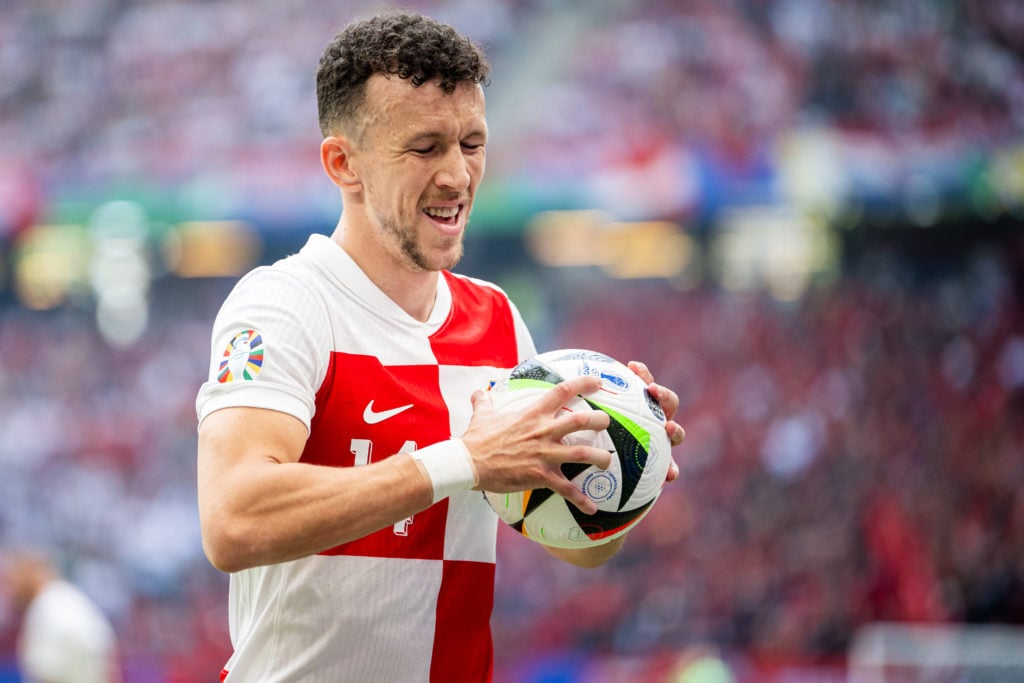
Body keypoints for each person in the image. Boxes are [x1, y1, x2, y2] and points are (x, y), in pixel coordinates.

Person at [195, 10, 685, 682]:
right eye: (425, 147)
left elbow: (577, 548)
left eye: (473, 143)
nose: (458, 175)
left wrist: (625, 466)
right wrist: (466, 458)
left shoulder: (498, 320)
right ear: (345, 164)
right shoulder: (283, 304)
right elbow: (233, 519)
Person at [4, 550, 120, 683]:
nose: (12, 590)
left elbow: (46, 674)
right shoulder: (70, 598)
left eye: (14, 579)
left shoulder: (45, 609)